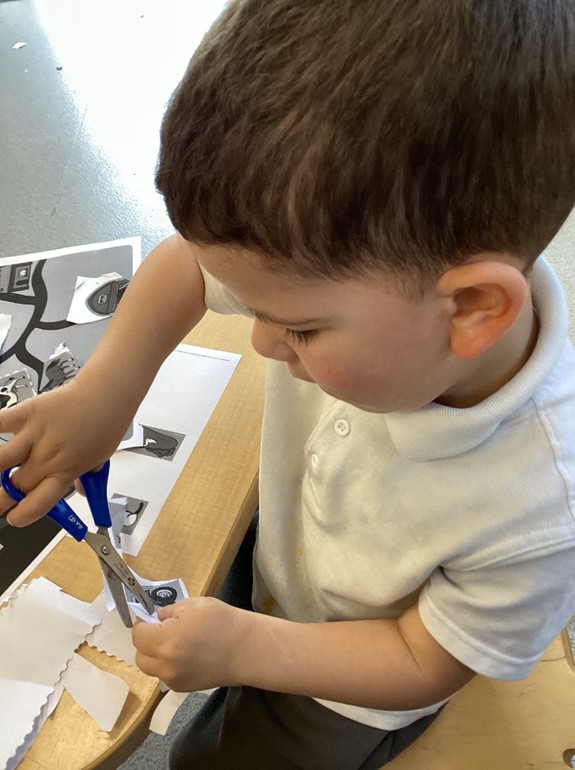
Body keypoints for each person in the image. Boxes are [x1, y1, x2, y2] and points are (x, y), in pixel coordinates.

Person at [2, 1, 575, 767]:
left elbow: (422, 658)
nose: (261, 341)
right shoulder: (367, 272)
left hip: (350, 688)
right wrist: (105, 395)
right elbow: (185, 264)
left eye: (297, 329)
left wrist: (248, 650)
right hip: (286, 555)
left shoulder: (542, 507)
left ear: (472, 309)